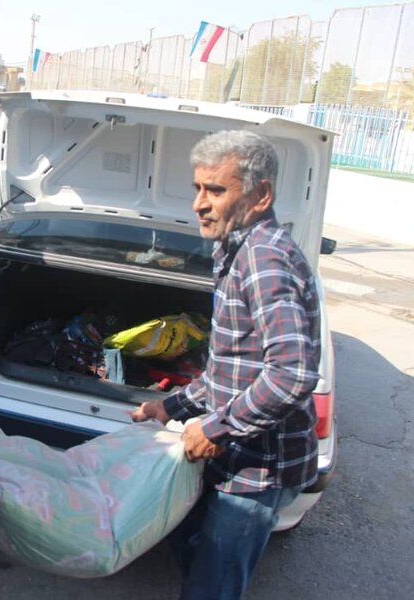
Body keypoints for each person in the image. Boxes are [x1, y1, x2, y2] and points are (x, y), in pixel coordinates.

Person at [132, 130, 321, 600]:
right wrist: (172, 406)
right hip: (232, 456)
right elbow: (233, 366)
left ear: (261, 196)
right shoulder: (236, 248)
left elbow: (292, 374)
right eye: (198, 188)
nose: (199, 203)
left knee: (211, 588)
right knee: (188, 548)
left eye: (215, 190)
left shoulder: (264, 259)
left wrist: (215, 428)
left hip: (258, 470)